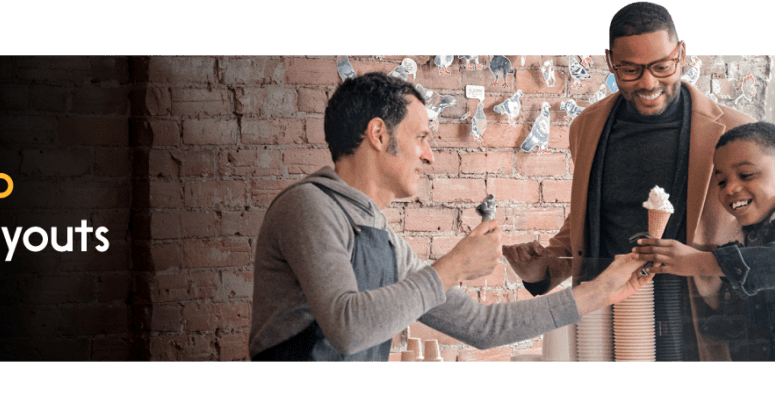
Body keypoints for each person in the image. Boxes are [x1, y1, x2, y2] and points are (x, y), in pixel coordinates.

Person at [249, 72, 651, 361]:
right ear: (378, 134)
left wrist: (600, 291)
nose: (429, 155)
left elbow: (482, 326)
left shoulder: (384, 239)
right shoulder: (309, 207)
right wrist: (454, 266)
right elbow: (348, 328)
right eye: (421, 137)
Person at [502, 1, 755, 361]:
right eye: (630, 70)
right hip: (604, 329)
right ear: (610, 62)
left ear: (681, 54)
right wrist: (540, 271)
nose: (648, 82)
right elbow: (589, 218)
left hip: (699, 328)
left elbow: (765, 232)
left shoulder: (736, 130)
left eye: (661, 67)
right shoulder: (586, 127)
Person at [634, 122, 775, 361]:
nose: (730, 188)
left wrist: (707, 263)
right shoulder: (742, 235)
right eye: (721, 181)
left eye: (746, 175)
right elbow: (743, 321)